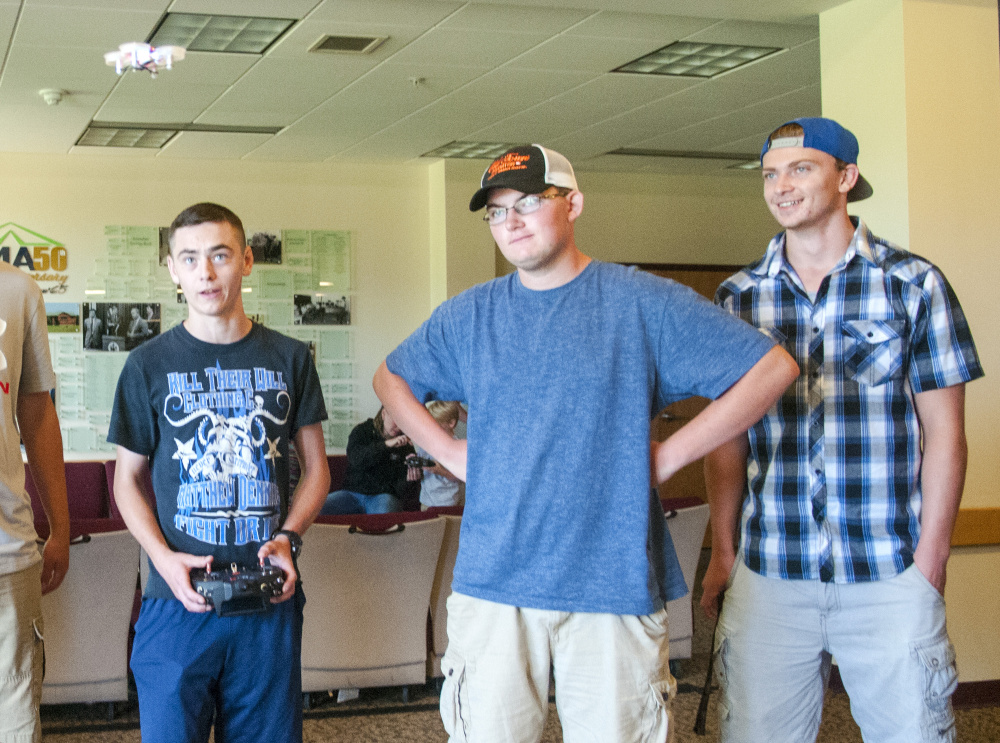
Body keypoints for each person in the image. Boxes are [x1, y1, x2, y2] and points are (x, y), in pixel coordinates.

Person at [373, 144, 799, 742]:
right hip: (495, 585)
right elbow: (390, 378)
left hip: (612, 583)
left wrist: (670, 455)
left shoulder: (640, 301)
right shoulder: (472, 315)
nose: (511, 222)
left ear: (572, 204)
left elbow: (772, 369)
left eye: (527, 203)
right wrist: (449, 453)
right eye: (496, 212)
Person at [701, 117, 985, 743]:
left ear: (846, 177)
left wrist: (931, 559)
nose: (782, 186)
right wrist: (725, 550)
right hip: (771, 570)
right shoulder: (738, 299)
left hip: (888, 570)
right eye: (771, 174)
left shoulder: (914, 286)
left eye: (801, 168)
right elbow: (727, 441)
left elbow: (946, 435)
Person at [108, 202, 330, 743]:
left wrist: (288, 539)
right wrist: (162, 558)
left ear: (247, 261)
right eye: (189, 258)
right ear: (173, 270)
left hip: (266, 598)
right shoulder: (146, 365)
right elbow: (126, 481)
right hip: (176, 598)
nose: (205, 272)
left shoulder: (291, 357)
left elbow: (317, 471)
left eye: (219, 255)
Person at [0, 261, 70, 743]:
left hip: (6, 553)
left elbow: (38, 416)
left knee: (15, 717)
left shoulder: (17, 288)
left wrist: (61, 529)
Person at [320, 406, 420, 515]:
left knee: (385, 516)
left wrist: (410, 480)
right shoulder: (363, 431)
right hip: (351, 493)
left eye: (402, 422)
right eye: (396, 420)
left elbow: (401, 491)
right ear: (384, 414)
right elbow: (356, 459)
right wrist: (386, 445)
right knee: (314, 510)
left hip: (383, 496)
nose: (399, 427)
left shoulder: (405, 445)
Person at [416, 401, 463, 510]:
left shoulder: (459, 448)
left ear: (451, 423)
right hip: (426, 502)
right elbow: (420, 469)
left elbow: (462, 478)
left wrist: (440, 471)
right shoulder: (425, 444)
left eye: (436, 425)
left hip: (448, 503)